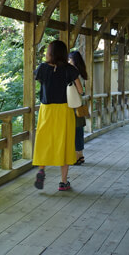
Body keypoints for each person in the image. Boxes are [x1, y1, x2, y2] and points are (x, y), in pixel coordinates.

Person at [33, 40, 83, 191]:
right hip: (64, 110)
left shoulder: (42, 68)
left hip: (46, 110)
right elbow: (80, 90)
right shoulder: (69, 69)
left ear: (50, 53)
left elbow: (40, 83)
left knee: (44, 140)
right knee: (65, 142)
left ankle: (42, 170)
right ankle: (63, 182)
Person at [68, 50, 88, 166]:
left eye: (69, 59)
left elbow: (79, 90)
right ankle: (80, 155)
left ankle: (76, 156)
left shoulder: (73, 73)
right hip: (78, 103)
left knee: (75, 130)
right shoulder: (82, 72)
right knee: (79, 130)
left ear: (74, 60)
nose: (67, 61)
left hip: (73, 104)